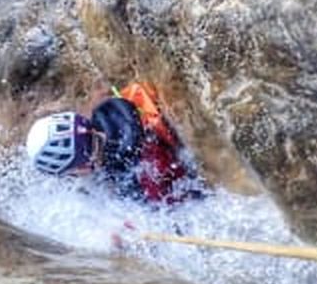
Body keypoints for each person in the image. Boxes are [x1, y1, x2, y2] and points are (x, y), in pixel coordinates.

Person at [25, 82, 200, 205]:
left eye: (70, 172)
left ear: (80, 168)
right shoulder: (113, 110)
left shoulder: (147, 172)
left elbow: (188, 205)